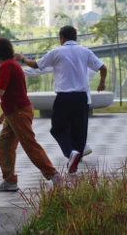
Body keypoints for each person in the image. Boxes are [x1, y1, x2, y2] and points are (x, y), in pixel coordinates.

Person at [15, 26, 107, 174]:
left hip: (64, 97)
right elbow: (103, 68)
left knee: (57, 128)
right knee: (79, 132)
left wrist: (22, 58)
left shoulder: (57, 52)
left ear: (62, 37)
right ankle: (74, 165)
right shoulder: (85, 52)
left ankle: (70, 153)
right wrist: (101, 83)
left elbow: (36, 65)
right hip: (82, 98)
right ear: (75, 37)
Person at [0, 37, 59, 191]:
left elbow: (0, 92)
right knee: (4, 144)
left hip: (18, 112)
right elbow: (14, 93)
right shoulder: (13, 65)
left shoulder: (7, 66)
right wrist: (3, 116)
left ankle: (53, 175)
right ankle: (10, 181)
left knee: (29, 144)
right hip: (15, 112)